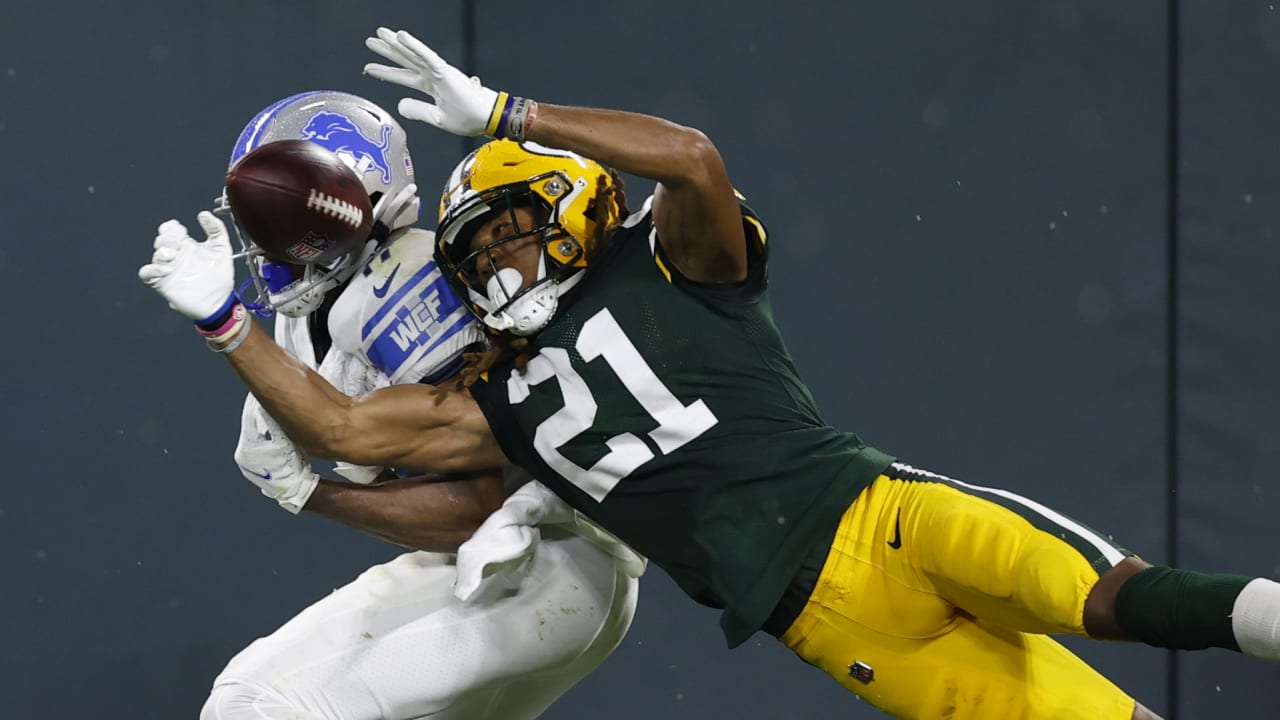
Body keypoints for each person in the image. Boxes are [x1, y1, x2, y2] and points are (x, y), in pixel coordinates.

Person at [138, 29, 1280, 720]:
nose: (493, 264)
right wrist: (233, 329)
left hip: (878, 514)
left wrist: (504, 111)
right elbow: (356, 428)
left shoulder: (671, 265)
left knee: (1115, 596)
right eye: (475, 251)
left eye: (508, 237)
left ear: (577, 209)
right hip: (823, 619)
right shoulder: (501, 395)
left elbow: (689, 158)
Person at [190, 90, 643, 720]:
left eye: (283, 224)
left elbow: (472, 510)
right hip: (514, 569)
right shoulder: (327, 301)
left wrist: (307, 492)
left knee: (260, 701)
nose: (268, 247)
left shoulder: (406, 289)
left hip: (541, 561)